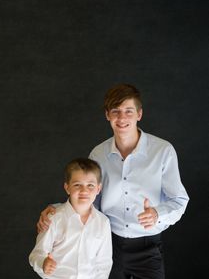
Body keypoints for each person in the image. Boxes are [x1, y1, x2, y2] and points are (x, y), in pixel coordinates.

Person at [36, 84, 189, 279]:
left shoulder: (163, 151)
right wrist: (56, 209)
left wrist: (156, 214)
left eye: (128, 111)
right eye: (115, 111)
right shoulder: (98, 154)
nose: (122, 118)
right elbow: (89, 198)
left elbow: (179, 200)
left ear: (139, 114)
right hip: (108, 244)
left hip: (148, 247)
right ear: (107, 115)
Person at [29, 158, 112, 279]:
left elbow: (104, 262)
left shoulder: (103, 222)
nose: (84, 190)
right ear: (67, 188)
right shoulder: (54, 219)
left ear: (98, 189)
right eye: (77, 185)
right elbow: (36, 254)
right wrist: (43, 263)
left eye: (90, 185)